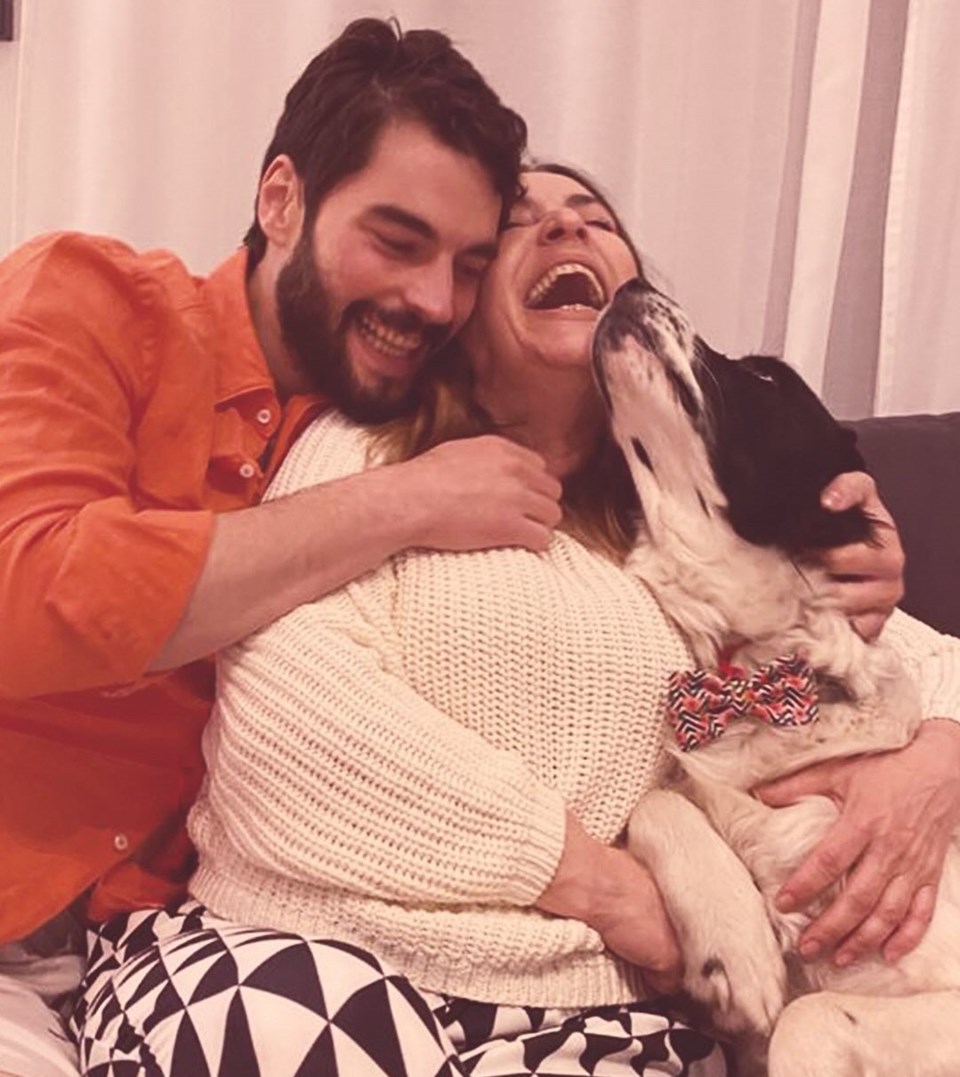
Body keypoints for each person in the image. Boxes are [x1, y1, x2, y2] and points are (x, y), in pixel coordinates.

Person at [72, 164, 954, 1077]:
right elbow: (287, 725)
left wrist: (933, 755)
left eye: (595, 218)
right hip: (313, 945)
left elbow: (864, 682)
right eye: (519, 223)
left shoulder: (686, 537)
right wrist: (604, 885)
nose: (566, 230)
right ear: (459, 303)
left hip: (595, 1004)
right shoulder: (370, 454)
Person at [0, 18, 559, 1077]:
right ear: (281, 200)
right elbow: (28, 596)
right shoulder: (95, 301)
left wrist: (902, 699)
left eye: (471, 267)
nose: (434, 301)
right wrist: (402, 503)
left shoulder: (447, 439)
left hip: (220, 942)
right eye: (397, 241)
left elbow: (700, 680)